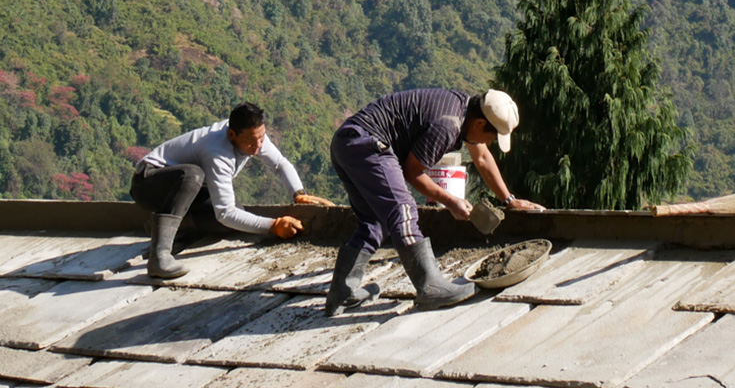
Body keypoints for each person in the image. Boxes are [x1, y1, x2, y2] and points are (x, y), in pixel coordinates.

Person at [326, 87, 544, 315]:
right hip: (368, 145)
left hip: (347, 143)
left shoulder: (464, 110)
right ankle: (430, 288)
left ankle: (342, 292)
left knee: (373, 222)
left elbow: (481, 156)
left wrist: (510, 200)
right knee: (403, 210)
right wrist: (451, 201)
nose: (488, 142)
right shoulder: (448, 125)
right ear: (480, 124)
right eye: (491, 137)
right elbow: (413, 172)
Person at [130, 102, 330, 280]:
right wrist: (274, 225)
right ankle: (160, 257)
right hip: (148, 183)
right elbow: (225, 213)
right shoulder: (216, 152)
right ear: (232, 134)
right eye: (252, 142)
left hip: (184, 191)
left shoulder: (254, 136)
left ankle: (163, 227)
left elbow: (279, 164)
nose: (258, 146)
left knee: (233, 218)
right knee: (193, 176)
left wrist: (298, 193)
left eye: (261, 137)